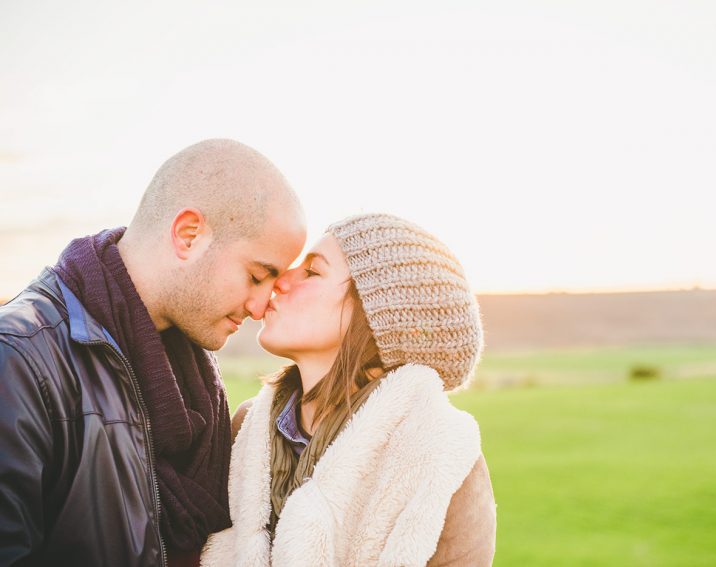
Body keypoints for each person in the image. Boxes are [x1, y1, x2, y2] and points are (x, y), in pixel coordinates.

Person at [0, 139, 307, 566]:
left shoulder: (196, 375)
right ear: (188, 235)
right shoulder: (18, 358)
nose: (259, 307)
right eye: (257, 275)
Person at [202, 213, 497, 567]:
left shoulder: (441, 453)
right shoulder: (246, 427)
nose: (280, 279)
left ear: (380, 312)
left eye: (312, 271)